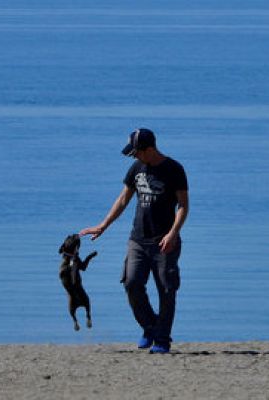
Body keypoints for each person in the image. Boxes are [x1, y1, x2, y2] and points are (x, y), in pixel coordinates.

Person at [80, 127, 189, 353]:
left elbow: (183, 205)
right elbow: (122, 200)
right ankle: (150, 326)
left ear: (150, 149)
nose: (135, 156)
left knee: (167, 290)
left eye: (137, 152)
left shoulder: (174, 169)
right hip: (138, 239)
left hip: (165, 241)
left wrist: (173, 233)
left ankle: (162, 339)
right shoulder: (137, 168)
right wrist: (103, 226)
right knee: (131, 283)